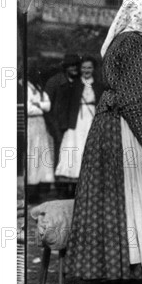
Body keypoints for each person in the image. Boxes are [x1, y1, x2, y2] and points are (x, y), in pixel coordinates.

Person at [64, 0, 142, 284]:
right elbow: (129, 97)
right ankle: (122, 280)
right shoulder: (136, 44)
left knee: (120, 203)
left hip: (114, 126)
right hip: (126, 131)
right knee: (138, 202)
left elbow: (129, 92)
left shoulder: (123, 41)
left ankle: (134, 276)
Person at [54, 55, 104, 195]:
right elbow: (65, 106)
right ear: (80, 69)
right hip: (76, 121)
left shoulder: (99, 85)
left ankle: (90, 180)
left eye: (89, 67)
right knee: (73, 146)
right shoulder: (73, 84)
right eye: (83, 67)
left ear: (93, 69)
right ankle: (72, 179)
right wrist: (64, 124)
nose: (86, 70)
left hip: (92, 119)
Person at [44, 53, 81, 164]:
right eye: (71, 65)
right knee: (60, 154)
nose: (74, 68)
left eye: (76, 65)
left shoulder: (80, 81)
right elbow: (47, 108)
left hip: (76, 124)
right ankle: (58, 179)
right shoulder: (54, 82)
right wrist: (54, 127)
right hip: (59, 125)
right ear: (65, 67)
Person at [26, 61, 55, 204]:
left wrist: (39, 105)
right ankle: (31, 189)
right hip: (31, 123)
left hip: (40, 124)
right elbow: (28, 109)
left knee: (41, 154)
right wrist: (39, 106)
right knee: (33, 154)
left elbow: (48, 105)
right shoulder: (26, 88)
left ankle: (40, 189)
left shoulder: (38, 88)